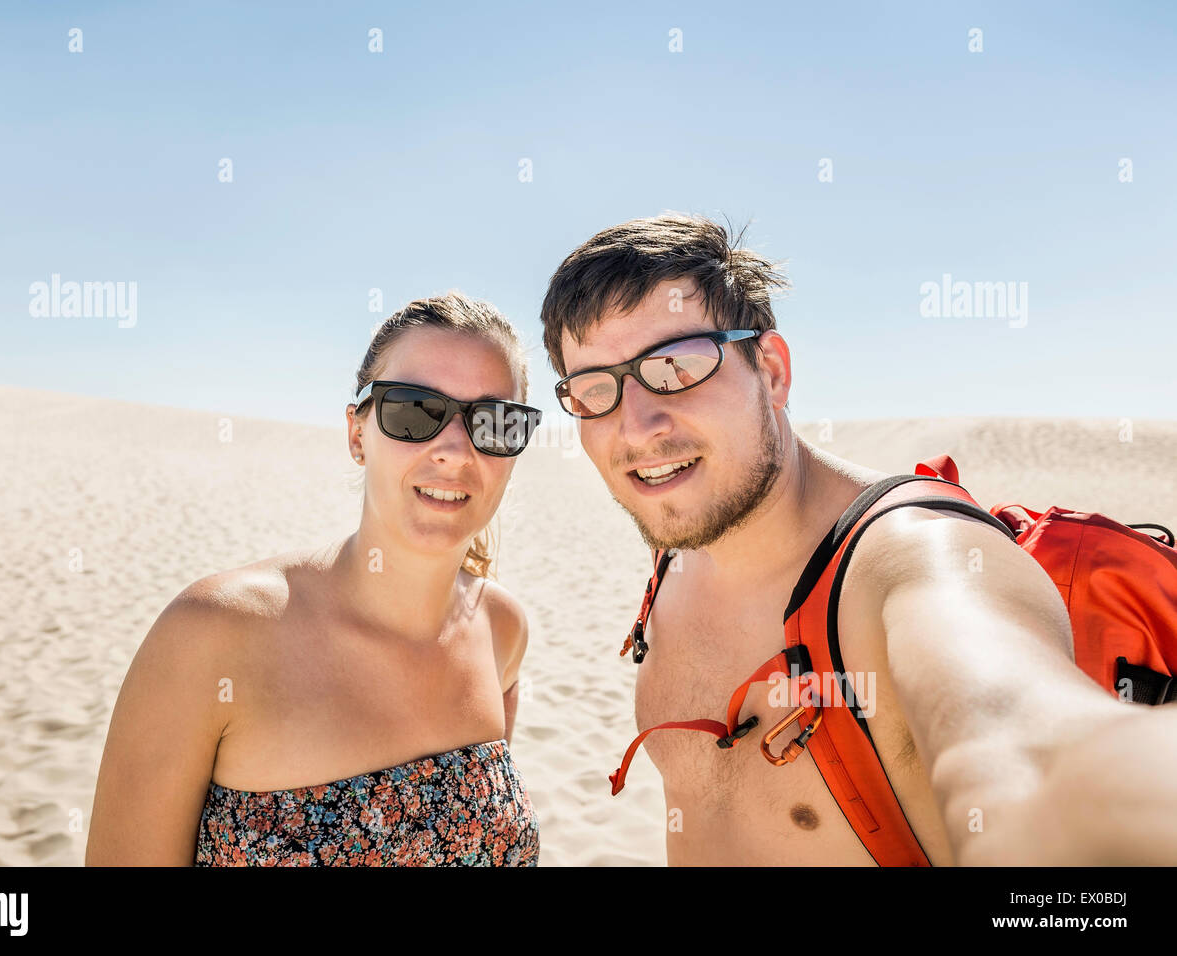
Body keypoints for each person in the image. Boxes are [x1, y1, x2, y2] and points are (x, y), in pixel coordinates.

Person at [540, 212, 1177, 865]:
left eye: (677, 366)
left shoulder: (913, 557)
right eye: (594, 390)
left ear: (772, 370)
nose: (637, 425)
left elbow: (1022, 746)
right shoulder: (679, 541)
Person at [86, 291, 544, 866]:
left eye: (494, 423)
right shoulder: (213, 634)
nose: (454, 449)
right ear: (358, 434)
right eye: (412, 411)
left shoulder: (502, 630)